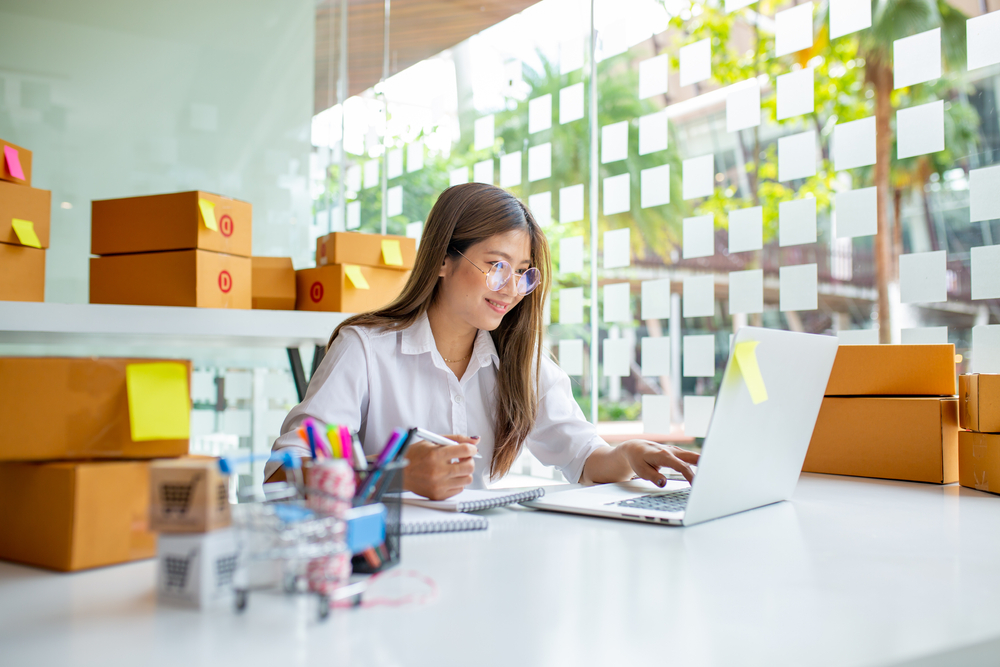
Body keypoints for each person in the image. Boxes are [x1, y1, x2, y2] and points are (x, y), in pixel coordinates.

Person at [265, 183, 699, 499]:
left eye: (523, 272)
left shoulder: (519, 361)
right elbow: (280, 475)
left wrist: (627, 455)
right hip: (381, 570)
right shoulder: (365, 351)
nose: (510, 288)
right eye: (496, 265)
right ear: (441, 261)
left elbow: (583, 456)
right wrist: (393, 476)